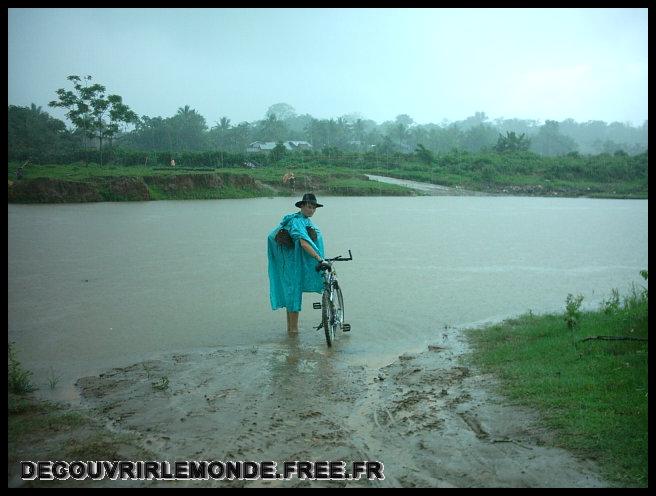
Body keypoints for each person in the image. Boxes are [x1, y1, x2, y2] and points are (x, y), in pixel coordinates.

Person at [267, 193, 326, 334]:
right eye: (309, 207)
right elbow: (303, 242)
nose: (311, 210)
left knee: (291, 295)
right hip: (291, 264)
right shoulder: (297, 222)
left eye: (314, 208)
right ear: (302, 206)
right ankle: (293, 333)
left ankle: (291, 335)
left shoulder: (304, 220)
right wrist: (319, 258)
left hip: (293, 263)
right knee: (293, 296)